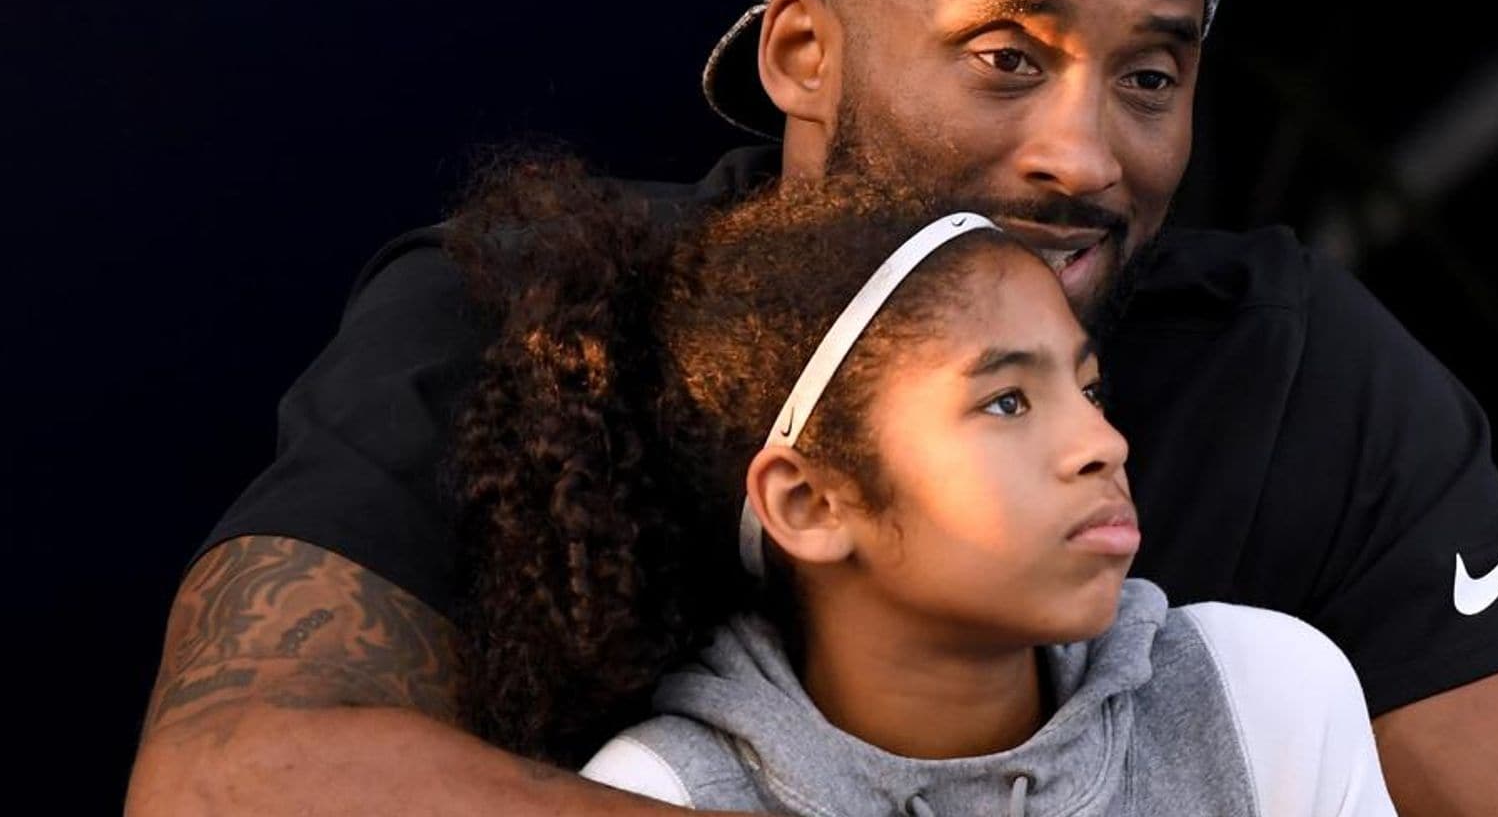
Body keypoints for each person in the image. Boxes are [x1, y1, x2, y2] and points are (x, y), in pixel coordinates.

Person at [127, 0, 1498, 816]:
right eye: (1005, 57)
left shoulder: (1288, 376)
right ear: (801, 53)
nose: (1086, 155)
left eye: (1151, 78)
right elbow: (229, 773)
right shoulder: (536, 317)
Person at [444, 163, 1397, 815]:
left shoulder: (1256, 693)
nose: (1102, 443)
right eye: (1009, 402)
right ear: (809, 505)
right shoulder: (660, 794)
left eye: (1091, 387)